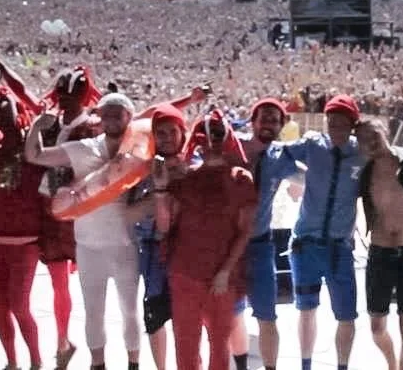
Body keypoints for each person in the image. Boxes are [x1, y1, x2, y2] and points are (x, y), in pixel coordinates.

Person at [0, 53, 105, 369]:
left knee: (75, 286)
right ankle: (63, 343)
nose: (64, 101)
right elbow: (22, 91)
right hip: (46, 215)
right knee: (56, 281)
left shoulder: (94, 127)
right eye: (61, 94)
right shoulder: (47, 119)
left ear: (82, 96)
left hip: (78, 214)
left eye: (70, 96)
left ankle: (77, 347)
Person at [25, 93, 143, 370]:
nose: (112, 119)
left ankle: (134, 364)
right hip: (88, 245)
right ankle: (97, 364)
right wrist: (36, 128)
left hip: (124, 244)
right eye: (107, 113)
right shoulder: (83, 148)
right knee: (93, 312)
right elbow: (35, 155)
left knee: (129, 311)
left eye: (118, 114)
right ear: (98, 117)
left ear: (130, 116)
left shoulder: (139, 151)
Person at [153, 110, 257, 370]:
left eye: (218, 136)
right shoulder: (184, 179)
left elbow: (245, 231)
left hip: (221, 277)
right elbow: (165, 226)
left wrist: (225, 271)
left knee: (219, 344)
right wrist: (160, 190)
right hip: (184, 273)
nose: (212, 144)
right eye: (206, 137)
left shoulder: (241, 179)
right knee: (186, 344)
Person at [285, 94, 363, 370]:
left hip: (340, 247)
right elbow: (278, 155)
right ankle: (306, 365)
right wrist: (298, 176)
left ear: (353, 125)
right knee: (306, 309)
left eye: (342, 123)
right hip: (306, 243)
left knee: (346, 314)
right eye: (332, 122)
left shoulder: (362, 152)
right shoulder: (312, 144)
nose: (336, 129)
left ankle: (343, 366)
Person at [0, 86, 46, 370]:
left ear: (20, 117)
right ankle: (12, 362)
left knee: (19, 305)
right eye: (0, 112)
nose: (5, 118)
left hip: (25, 242)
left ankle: (36, 361)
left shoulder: (36, 150)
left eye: (10, 112)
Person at [229, 97, 300, 370]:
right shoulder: (232, 146)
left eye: (275, 120)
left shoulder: (280, 157)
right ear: (253, 121)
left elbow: (310, 177)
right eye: (265, 118)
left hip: (259, 246)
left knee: (267, 315)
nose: (269, 124)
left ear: (281, 125)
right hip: (228, 244)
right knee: (230, 314)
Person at [125, 102, 193, 370]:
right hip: (152, 251)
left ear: (182, 134)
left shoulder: (195, 167)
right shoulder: (141, 170)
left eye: (171, 132)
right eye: (160, 133)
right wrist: (156, 191)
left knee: (186, 318)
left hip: (185, 251)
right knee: (154, 316)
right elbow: (128, 213)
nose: (166, 138)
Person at [355, 118, 403, 370]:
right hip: (380, 251)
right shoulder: (364, 173)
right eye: (363, 139)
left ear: (385, 131)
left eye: (373, 134)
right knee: (377, 327)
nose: (370, 142)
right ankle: (392, 365)